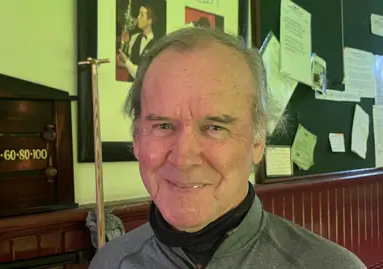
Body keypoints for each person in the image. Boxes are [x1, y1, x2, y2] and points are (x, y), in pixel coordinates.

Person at [90, 27, 366, 268]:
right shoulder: (110, 263)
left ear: (258, 141)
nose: (184, 158)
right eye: (163, 126)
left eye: (215, 127)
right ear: (137, 138)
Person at [117, 4, 156, 81]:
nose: (138, 17)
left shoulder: (157, 44)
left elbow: (144, 74)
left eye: (141, 15)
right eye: (138, 14)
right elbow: (120, 62)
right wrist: (123, 46)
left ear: (149, 21)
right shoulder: (134, 37)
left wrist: (126, 62)